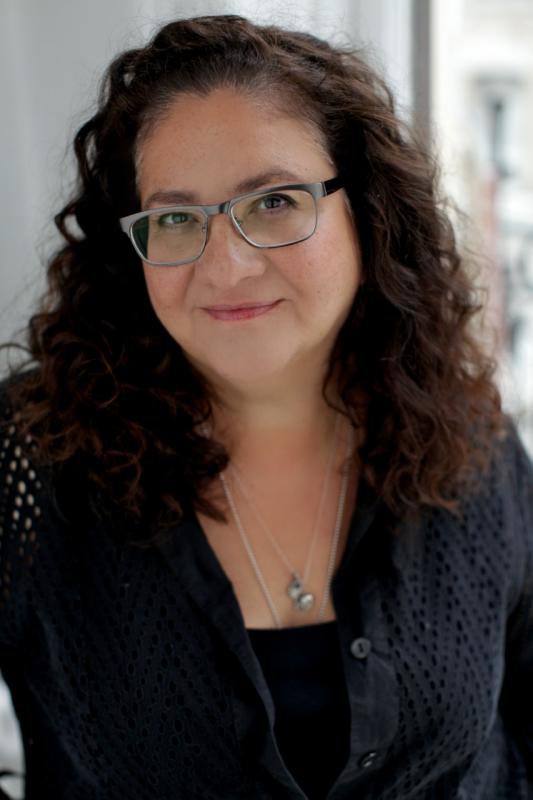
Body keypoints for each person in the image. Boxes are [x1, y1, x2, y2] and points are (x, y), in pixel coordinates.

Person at [0, 13, 531, 800]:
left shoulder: (470, 436)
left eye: (275, 203)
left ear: (368, 214)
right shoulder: (33, 456)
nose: (227, 265)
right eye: (176, 218)